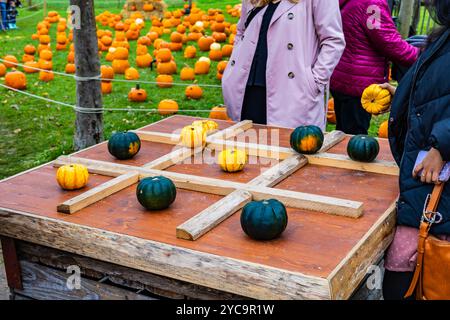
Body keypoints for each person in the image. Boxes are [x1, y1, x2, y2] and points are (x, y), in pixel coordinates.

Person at [381, 0, 450, 300]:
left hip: (437, 184)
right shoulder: (445, 36)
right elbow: (439, 94)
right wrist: (404, 98)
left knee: (415, 278)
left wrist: (443, 145)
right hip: (424, 179)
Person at [222, 0, 345, 129]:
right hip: (246, 90)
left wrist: (314, 82)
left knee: (283, 145)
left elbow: (333, 41)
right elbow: (241, 30)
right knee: (249, 145)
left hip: (293, 93)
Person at [330, 0, 420, 135]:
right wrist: (422, 56)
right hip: (359, 83)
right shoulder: (372, 4)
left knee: (342, 132)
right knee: (355, 136)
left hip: (342, 75)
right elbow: (388, 42)